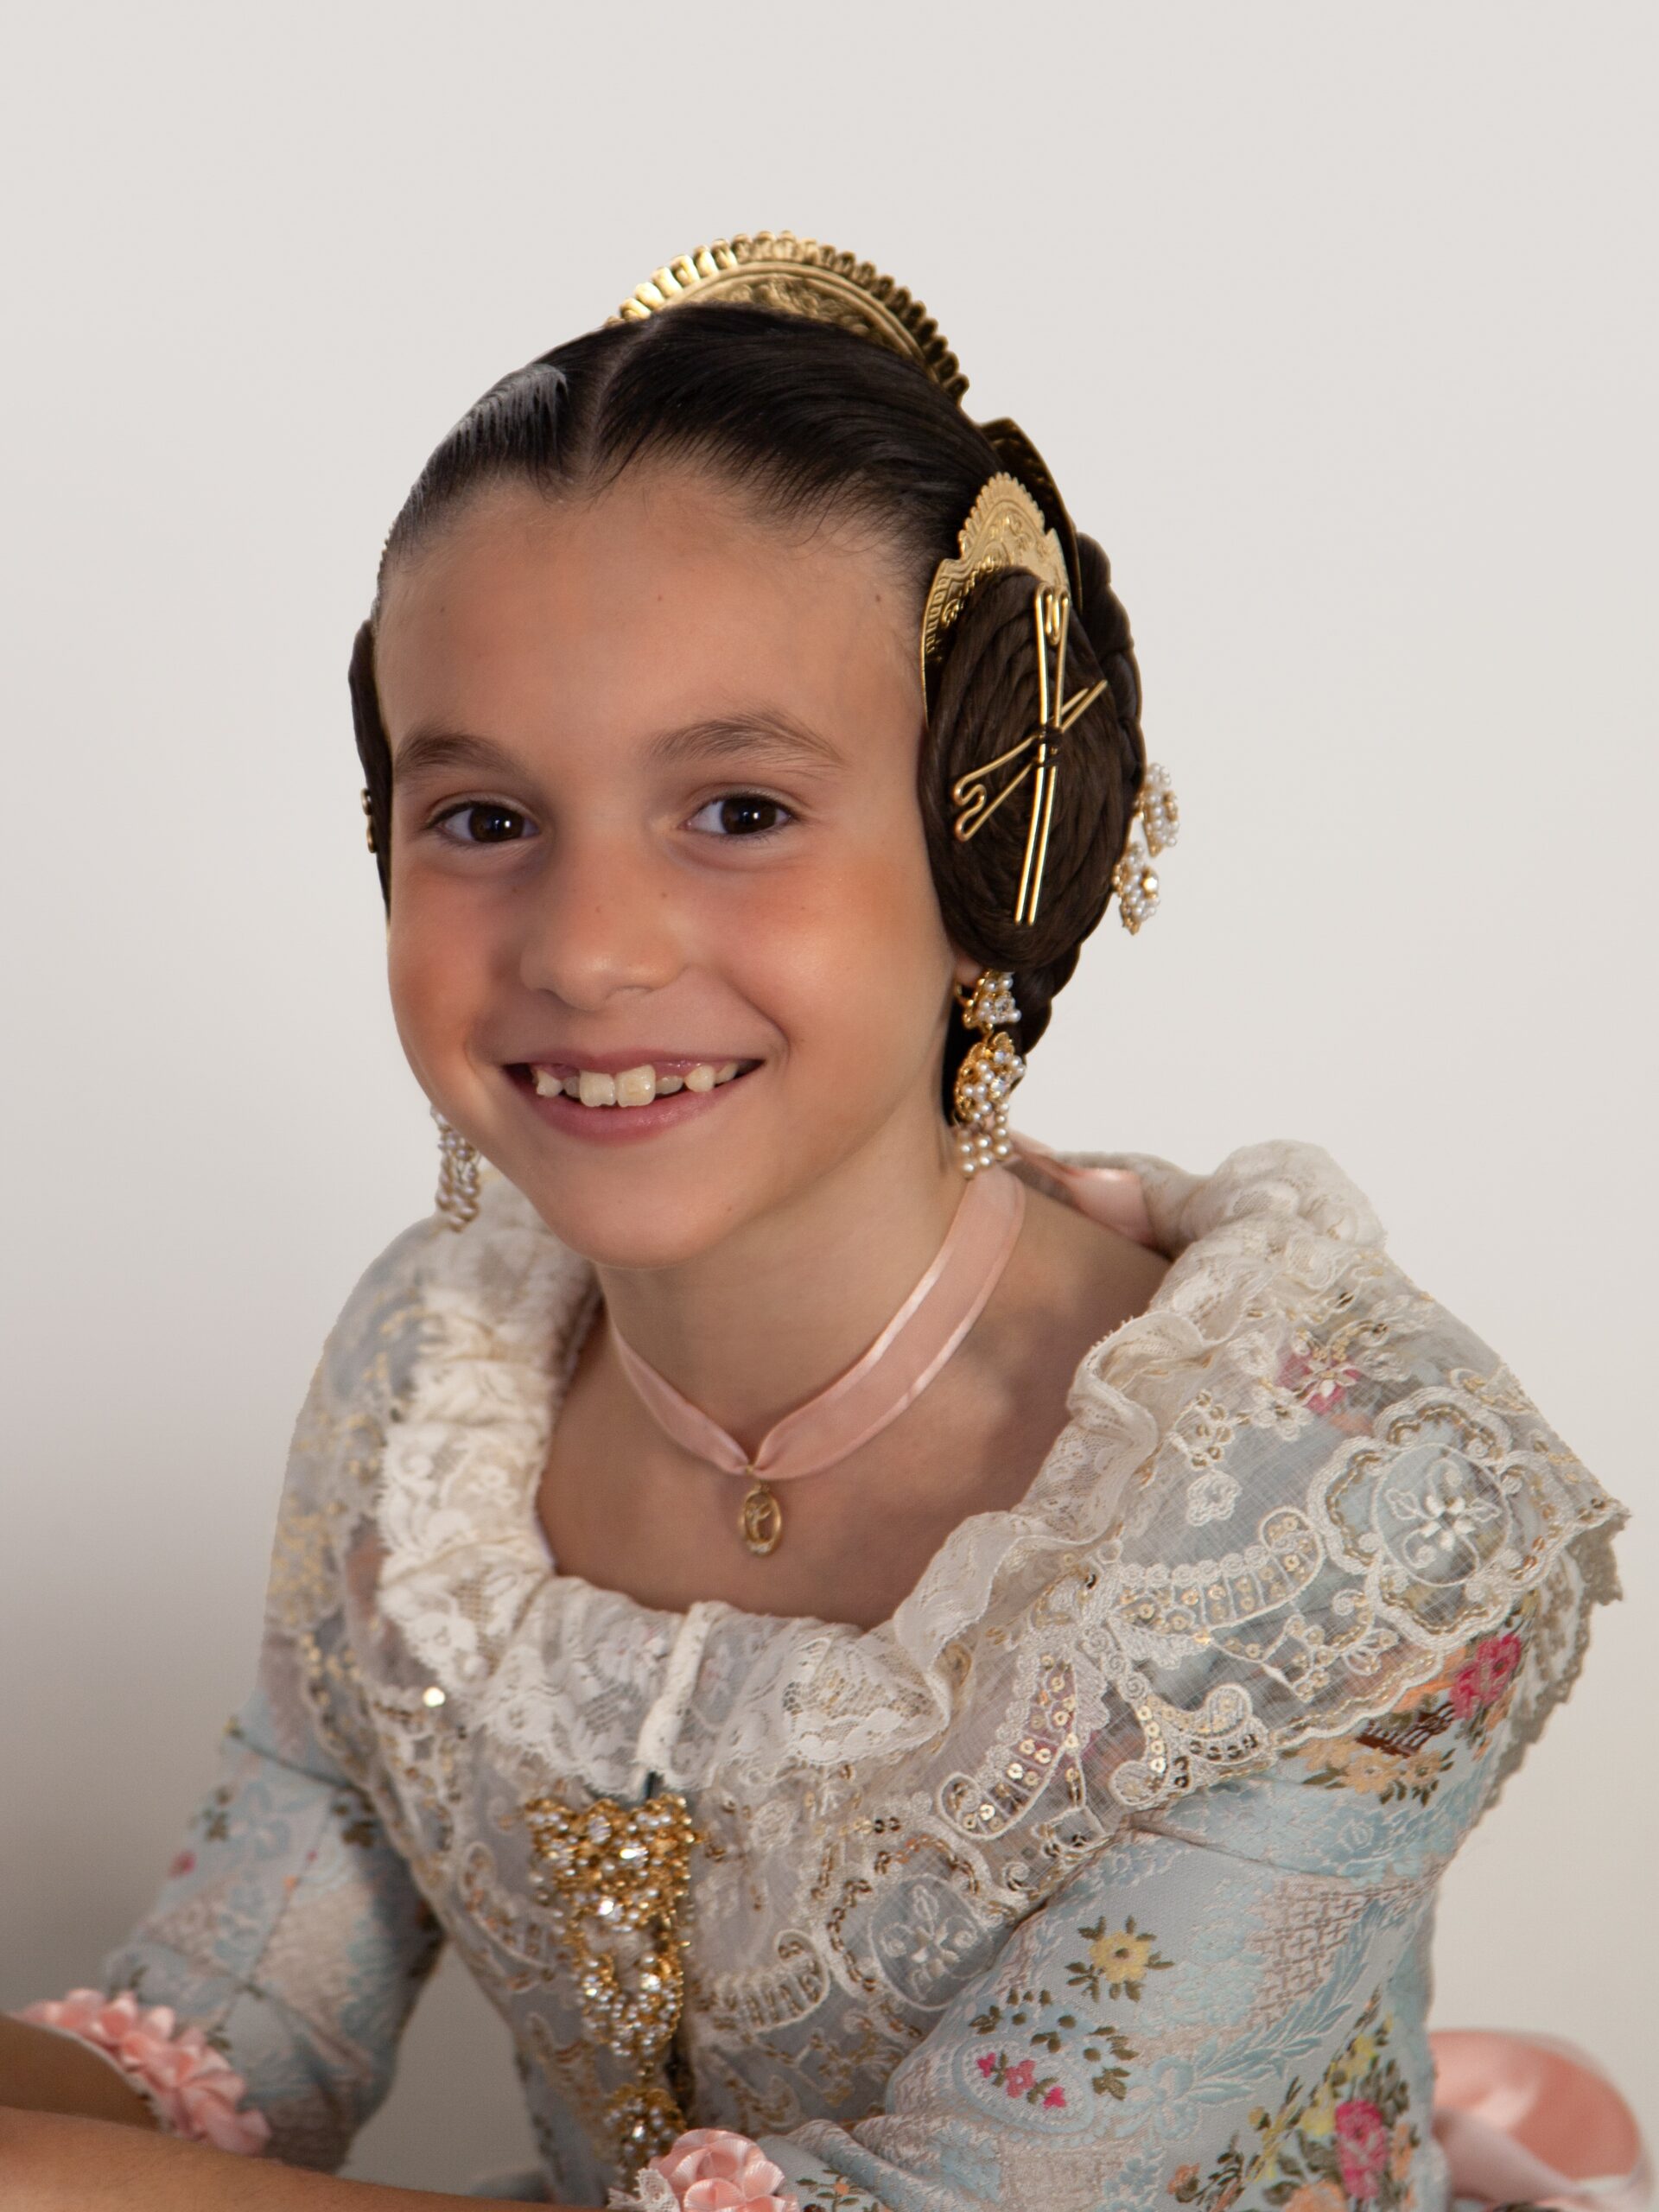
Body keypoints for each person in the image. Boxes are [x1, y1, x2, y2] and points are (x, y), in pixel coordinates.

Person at [1, 233, 1644, 2212]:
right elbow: (227, 2031)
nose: (589, 948)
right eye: (483, 818)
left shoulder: (1348, 1515)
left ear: (986, 840)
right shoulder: (428, 1385)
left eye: (740, 808)